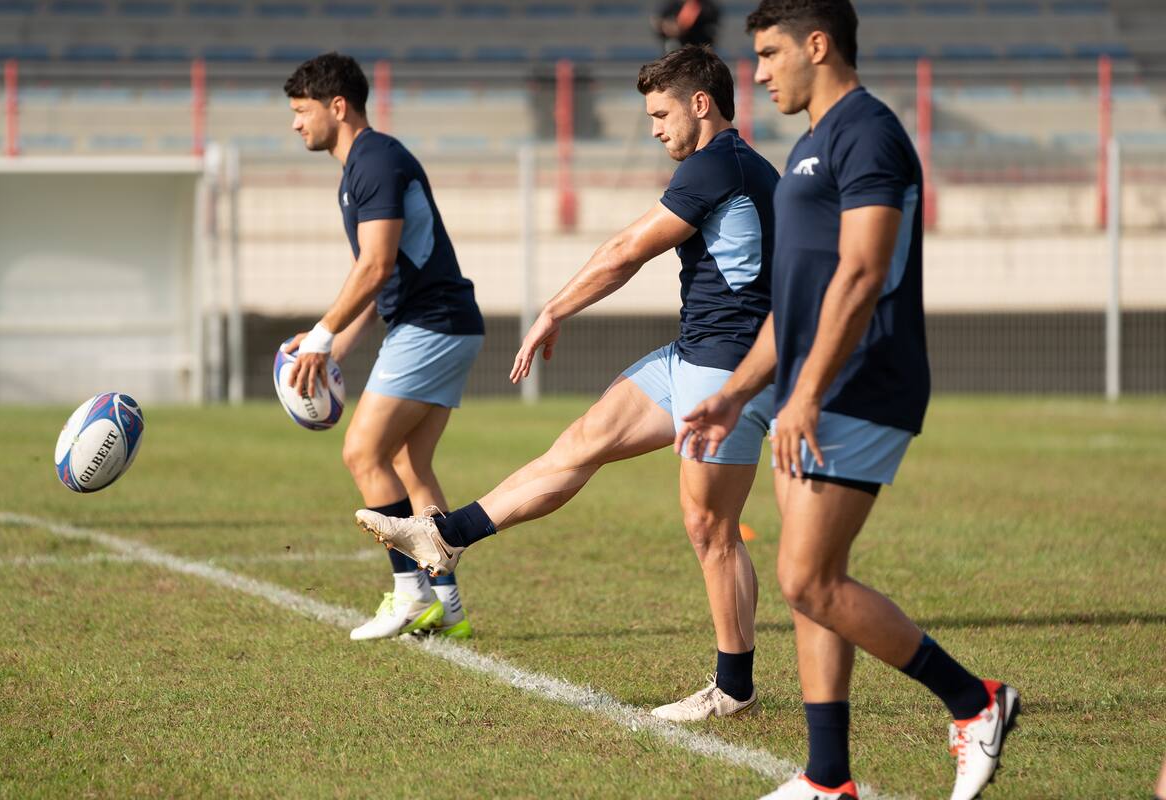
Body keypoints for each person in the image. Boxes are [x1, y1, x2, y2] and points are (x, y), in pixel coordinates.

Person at [357, 45, 780, 721]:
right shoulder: (736, 166)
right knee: (580, 443)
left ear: (702, 104)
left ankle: (733, 688)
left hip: (726, 369)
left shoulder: (718, 165)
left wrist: (553, 308)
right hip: (691, 356)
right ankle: (447, 534)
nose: (654, 129)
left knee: (710, 526)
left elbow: (625, 252)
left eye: (661, 113)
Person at [675, 3, 1018, 798]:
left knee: (807, 581)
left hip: (860, 386)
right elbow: (794, 306)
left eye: (768, 54)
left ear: (817, 46)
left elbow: (863, 274)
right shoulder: (810, 145)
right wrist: (737, 393)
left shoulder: (868, 132)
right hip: (811, 388)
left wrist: (808, 392)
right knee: (813, 586)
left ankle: (977, 701)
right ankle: (828, 779)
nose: (757, 73)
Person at [283, 52, 484, 641]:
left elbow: (373, 267)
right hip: (444, 323)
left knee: (363, 454)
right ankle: (446, 604)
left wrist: (321, 336)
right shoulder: (363, 167)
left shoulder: (373, 160)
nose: (296, 124)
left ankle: (408, 595)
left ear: (337, 106)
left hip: (433, 323)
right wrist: (337, 346)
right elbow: (381, 276)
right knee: (409, 464)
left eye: (301, 111)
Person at [652, 0, 723, 50]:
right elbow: (657, 21)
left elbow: (711, 27)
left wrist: (683, 28)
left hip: (697, 49)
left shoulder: (706, 6)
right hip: (674, 48)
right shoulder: (672, 5)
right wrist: (665, 27)